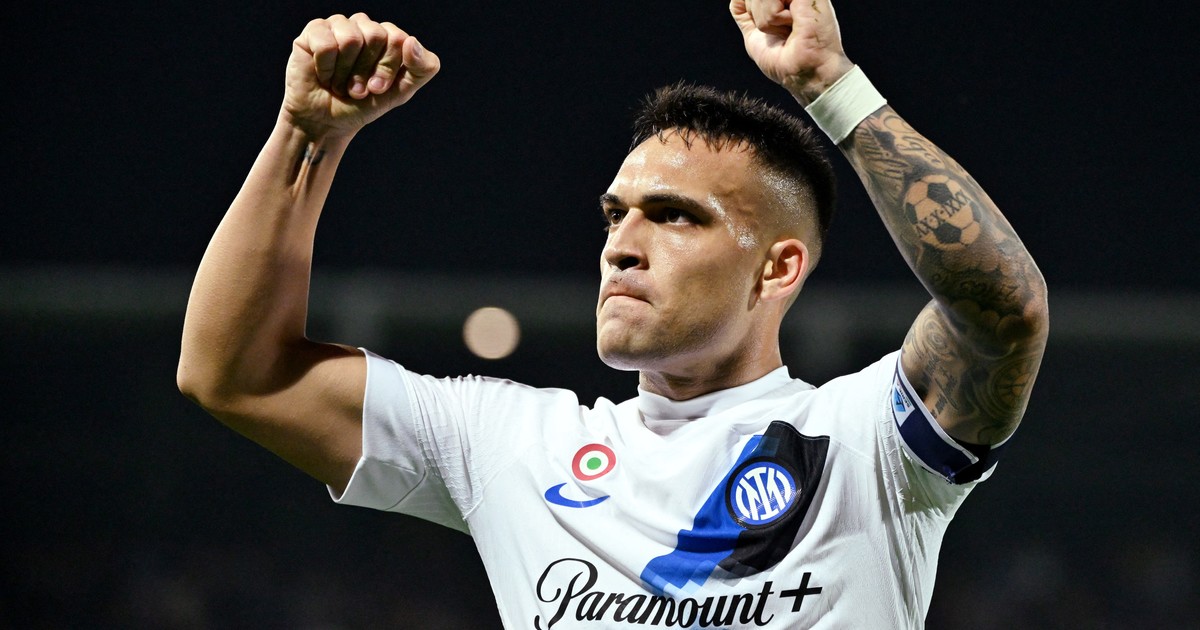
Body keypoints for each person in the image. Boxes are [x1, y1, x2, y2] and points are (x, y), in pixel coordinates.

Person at [178, 1, 1048, 627]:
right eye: (614, 215)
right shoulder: (510, 445)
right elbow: (237, 374)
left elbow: (1002, 309)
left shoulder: (867, 442)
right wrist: (306, 136)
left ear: (778, 267)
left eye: (674, 216)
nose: (621, 246)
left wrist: (832, 87)